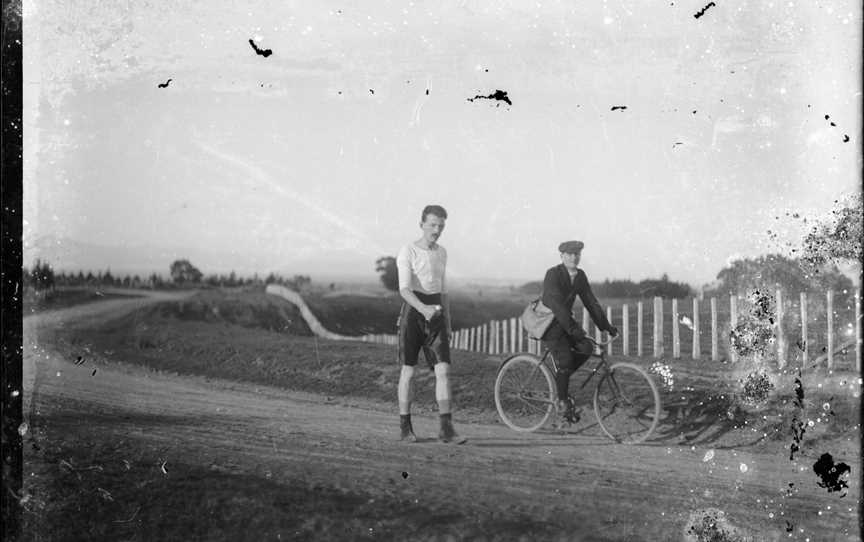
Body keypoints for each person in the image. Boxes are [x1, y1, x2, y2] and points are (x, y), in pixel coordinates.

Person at [395, 204, 465, 444]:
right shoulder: (408, 251)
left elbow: (443, 291)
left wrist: (447, 322)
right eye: (433, 225)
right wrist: (423, 309)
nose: (437, 230)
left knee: (443, 370)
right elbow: (404, 289)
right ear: (422, 224)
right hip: (414, 313)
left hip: (436, 314)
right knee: (409, 371)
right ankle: (406, 427)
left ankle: (446, 429)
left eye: (441, 226)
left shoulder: (442, 252)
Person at [541, 240, 618, 424]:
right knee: (566, 361)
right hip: (550, 324)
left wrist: (606, 326)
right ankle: (561, 402)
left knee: (586, 347)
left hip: (565, 323)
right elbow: (557, 306)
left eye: (577, 254)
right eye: (569, 254)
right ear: (562, 256)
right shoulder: (553, 274)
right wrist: (574, 330)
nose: (574, 257)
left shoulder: (580, 276)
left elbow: (590, 302)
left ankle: (562, 380)